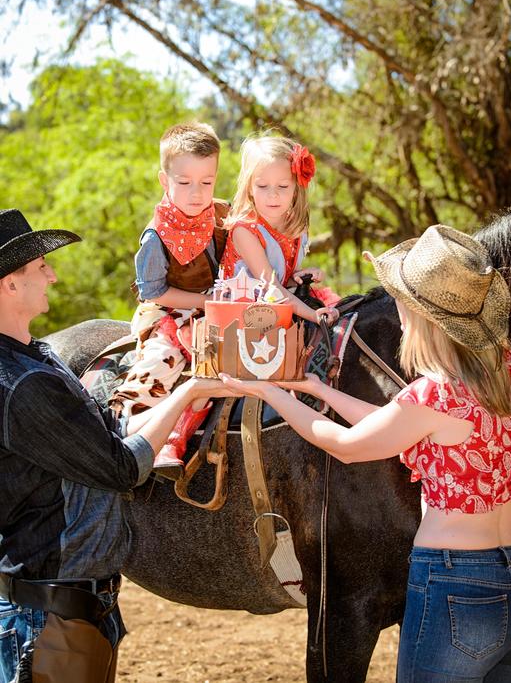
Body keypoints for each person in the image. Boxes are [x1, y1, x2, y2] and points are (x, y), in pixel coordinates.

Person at [218, 224, 511, 683]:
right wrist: (319, 391)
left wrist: (273, 395)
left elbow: (346, 446)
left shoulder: (433, 395)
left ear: (422, 316)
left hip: (454, 579)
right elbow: (389, 423)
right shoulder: (503, 374)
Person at [0, 208, 227, 683]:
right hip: (47, 617)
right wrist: (188, 391)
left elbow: (106, 432)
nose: (54, 276)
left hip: (72, 606)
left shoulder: (37, 358)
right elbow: (122, 466)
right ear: (9, 284)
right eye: (41, 267)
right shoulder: (23, 385)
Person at [110, 121, 230, 479]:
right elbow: (153, 291)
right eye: (184, 182)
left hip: (215, 307)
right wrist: (203, 302)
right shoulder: (156, 238)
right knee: (163, 360)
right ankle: (132, 427)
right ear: (164, 181)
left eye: (206, 182)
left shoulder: (220, 215)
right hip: (168, 310)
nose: (197, 193)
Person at [221, 134, 340, 325]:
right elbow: (270, 287)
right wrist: (313, 315)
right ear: (250, 187)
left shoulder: (295, 225)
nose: (273, 195)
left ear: (295, 187)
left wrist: (297, 278)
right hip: (244, 316)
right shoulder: (245, 231)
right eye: (262, 185)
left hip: (280, 304)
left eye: (283, 186)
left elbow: (282, 279)